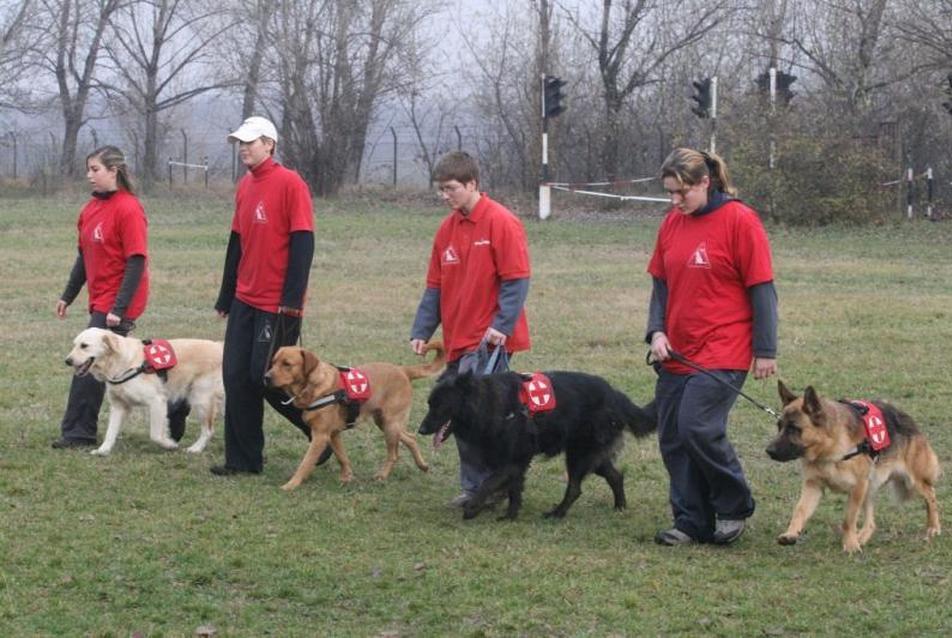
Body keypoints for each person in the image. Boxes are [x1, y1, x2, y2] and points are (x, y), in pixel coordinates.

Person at [646, 147, 778, 546]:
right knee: (671, 435)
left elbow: (762, 288)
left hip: (725, 347)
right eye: (669, 193)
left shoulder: (740, 220)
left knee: (697, 426)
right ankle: (691, 521)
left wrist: (766, 349)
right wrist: (656, 331)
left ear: (706, 182)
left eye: (681, 192)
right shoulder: (671, 223)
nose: (674, 201)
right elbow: (660, 285)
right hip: (677, 350)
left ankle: (733, 505)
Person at [410, 151, 531, 506]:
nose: (444, 196)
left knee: (480, 417)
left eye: (450, 189)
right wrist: (422, 329)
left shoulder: (502, 222)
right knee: (467, 417)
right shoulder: (446, 230)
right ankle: (486, 485)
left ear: (472, 184)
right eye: (441, 190)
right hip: (458, 340)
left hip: (490, 341)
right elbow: (435, 286)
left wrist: (501, 326)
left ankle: (486, 486)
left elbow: (516, 280)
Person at [211, 115, 323, 476]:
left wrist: (291, 300)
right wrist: (226, 295)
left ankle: (321, 430)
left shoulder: (291, 184)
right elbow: (237, 243)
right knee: (235, 376)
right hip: (246, 299)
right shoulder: (245, 186)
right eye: (240, 142)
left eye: (250, 141)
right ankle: (242, 462)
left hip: (277, 304)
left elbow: (303, 243)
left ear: (269, 145)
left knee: (268, 377)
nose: (243, 147)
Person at [53, 145, 151, 448]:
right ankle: (174, 404)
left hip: (119, 301)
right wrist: (68, 295)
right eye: (89, 169)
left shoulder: (129, 208)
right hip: (100, 299)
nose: (89, 176)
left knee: (88, 361)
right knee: (123, 363)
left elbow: (136, 261)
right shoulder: (89, 210)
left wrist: (118, 309)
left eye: (95, 169)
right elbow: (84, 258)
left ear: (114, 171)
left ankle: (78, 433)